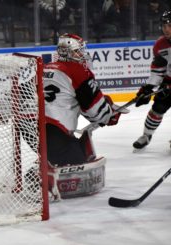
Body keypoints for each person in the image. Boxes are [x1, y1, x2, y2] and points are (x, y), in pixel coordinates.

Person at [43, 33, 121, 166]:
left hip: (34, 130)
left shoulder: (46, 67)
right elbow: (97, 113)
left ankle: (47, 162)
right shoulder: (79, 70)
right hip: (56, 131)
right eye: (79, 51)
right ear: (70, 53)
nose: (82, 54)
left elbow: (75, 101)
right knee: (79, 166)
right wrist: (109, 114)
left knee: (56, 156)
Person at [132, 10, 171, 150]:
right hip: (169, 83)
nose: (166, 29)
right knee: (157, 108)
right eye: (164, 25)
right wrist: (148, 88)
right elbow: (158, 70)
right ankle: (146, 136)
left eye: (169, 25)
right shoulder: (160, 45)